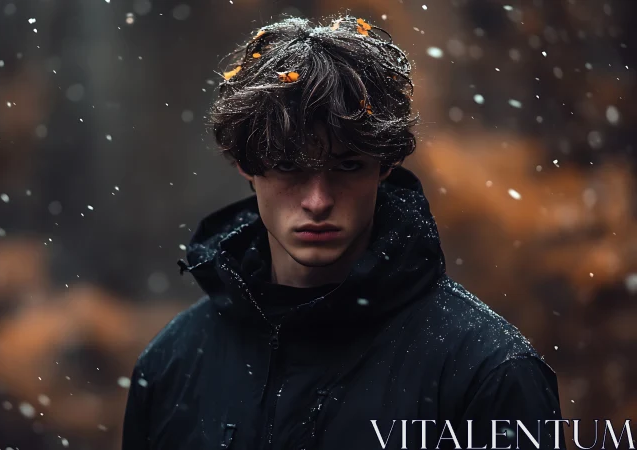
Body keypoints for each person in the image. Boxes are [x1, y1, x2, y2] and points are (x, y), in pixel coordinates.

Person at [122, 14, 566, 450]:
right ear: (246, 164)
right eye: (289, 166)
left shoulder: (487, 371)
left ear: (384, 165)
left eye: (347, 166)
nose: (318, 201)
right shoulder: (170, 367)